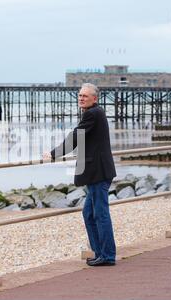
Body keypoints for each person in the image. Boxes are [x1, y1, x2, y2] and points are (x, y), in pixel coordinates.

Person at [43, 83, 117, 266]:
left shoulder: (93, 114)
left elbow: (76, 137)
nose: (81, 98)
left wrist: (53, 154)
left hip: (98, 173)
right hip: (96, 172)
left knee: (100, 214)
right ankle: (100, 253)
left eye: (85, 95)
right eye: (79, 95)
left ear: (95, 98)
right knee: (89, 215)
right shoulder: (93, 113)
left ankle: (107, 256)